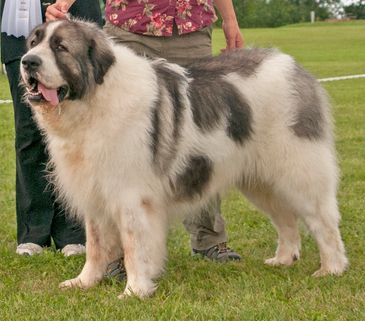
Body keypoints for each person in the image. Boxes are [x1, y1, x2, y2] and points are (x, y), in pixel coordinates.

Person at [46, 0, 244, 266]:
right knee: (113, 149)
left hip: (191, 27)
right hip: (131, 27)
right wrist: (63, 3)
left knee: (202, 137)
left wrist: (229, 18)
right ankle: (115, 254)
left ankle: (209, 239)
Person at [0, 0, 102, 256]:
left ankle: (74, 231)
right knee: (29, 132)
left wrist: (64, 3)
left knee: (76, 133)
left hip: (75, 24)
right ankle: (33, 231)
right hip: (19, 29)